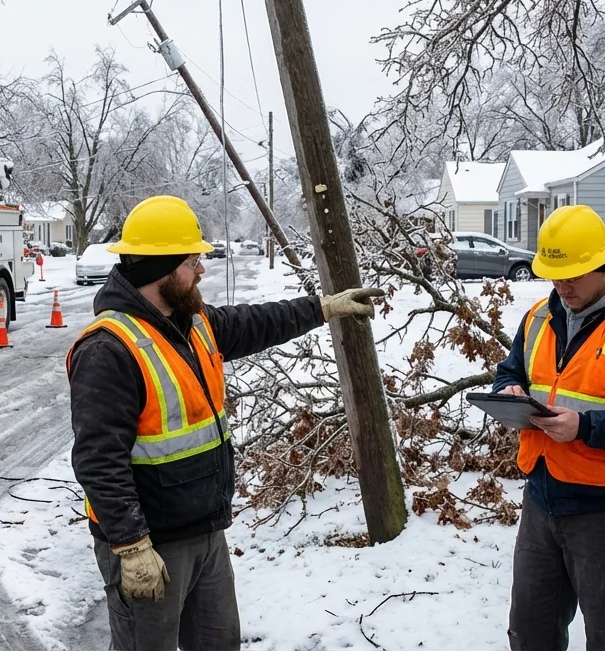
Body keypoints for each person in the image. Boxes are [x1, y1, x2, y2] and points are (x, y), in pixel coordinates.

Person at [68, 195, 383, 651]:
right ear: (164, 267)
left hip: (205, 532)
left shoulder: (190, 323)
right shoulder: (109, 348)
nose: (202, 270)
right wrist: (131, 545)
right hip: (150, 546)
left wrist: (324, 308)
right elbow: (99, 460)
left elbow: (255, 323)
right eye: (194, 260)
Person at [491, 205, 605, 651]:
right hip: (542, 496)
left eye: (573, 275)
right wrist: (508, 390)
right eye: (555, 275)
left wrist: (585, 427)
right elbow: (510, 371)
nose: (562, 285)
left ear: (604, 265)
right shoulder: (537, 318)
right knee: (531, 633)